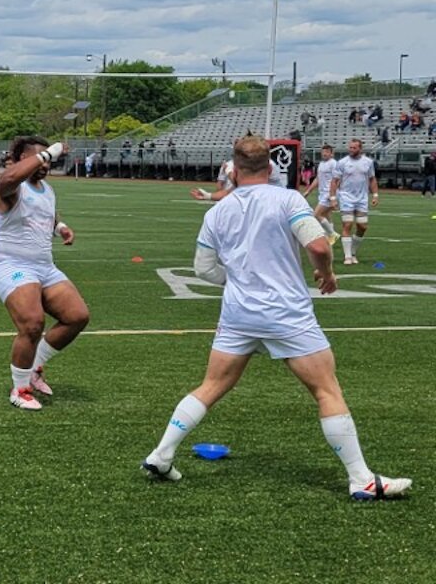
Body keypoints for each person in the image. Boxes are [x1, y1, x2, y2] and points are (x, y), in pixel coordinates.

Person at [142, 136, 410, 500]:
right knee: (326, 390)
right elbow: (317, 245)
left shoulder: (216, 211)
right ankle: (361, 478)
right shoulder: (286, 199)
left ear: (233, 172)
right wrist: (327, 274)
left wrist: (237, 279)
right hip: (286, 312)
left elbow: (203, 269)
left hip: (238, 314)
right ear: (270, 169)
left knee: (211, 386)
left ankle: (161, 454)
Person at [0, 136, 89, 411]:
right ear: (22, 159)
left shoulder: (47, 189)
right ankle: (19, 389)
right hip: (10, 262)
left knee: (77, 316)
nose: (47, 163)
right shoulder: (10, 186)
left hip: (44, 265)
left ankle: (33, 366)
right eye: (40, 157)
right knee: (32, 323)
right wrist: (48, 152)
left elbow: (46, 214)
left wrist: (61, 227)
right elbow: (7, 180)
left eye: (49, 158)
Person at [329, 138, 378, 266]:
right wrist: (333, 198)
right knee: (347, 225)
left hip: (362, 198)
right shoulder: (342, 162)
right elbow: (334, 181)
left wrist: (375, 195)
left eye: (354, 148)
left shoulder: (368, 162)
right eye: (350, 147)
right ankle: (348, 257)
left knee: (362, 227)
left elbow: (372, 179)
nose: (351, 150)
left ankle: (353, 252)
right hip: (346, 197)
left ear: (360, 149)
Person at [299, 144, 341, 246]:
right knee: (326, 215)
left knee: (316, 215)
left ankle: (332, 234)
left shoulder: (334, 163)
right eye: (323, 151)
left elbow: (338, 179)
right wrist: (308, 191)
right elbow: (318, 179)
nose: (325, 153)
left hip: (329, 193)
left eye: (327, 152)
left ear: (332, 154)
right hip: (323, 193)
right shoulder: (322, 164)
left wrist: (333, 195)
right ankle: (330, 237)